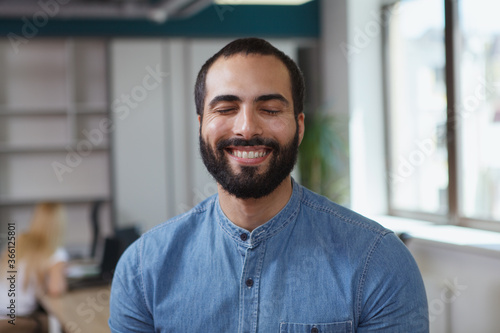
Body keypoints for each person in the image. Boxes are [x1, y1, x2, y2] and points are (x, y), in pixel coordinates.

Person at [109, 38, 429, 332]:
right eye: (225, 109)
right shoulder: (142, 269)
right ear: (201, 125)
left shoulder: (378, 261)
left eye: (270, 109)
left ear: (299, 127)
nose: (247, 128)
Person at [0, 202, 69, 332]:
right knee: (62, 323)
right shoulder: (54, 252)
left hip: (2, 315)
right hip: (17, 319)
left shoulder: (19, 240)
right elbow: (56, 289)